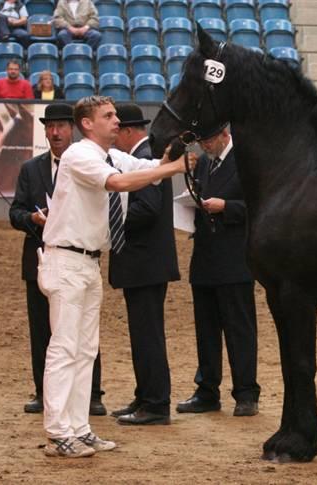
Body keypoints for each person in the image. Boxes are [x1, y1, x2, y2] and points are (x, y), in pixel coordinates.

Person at [38, 95, 193, 458]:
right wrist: (172, 169)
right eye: (107, 116)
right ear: (87, 123)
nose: (116, 122)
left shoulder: (111, 155)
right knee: (64, 348)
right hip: (66, 260)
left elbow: (150, 166)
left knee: (85, 349)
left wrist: (178, 143)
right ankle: (58, 431)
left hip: (89, 261)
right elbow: (120, 185)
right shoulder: (80, 155)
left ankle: (78, 427)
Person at [9, 103, 107, 416]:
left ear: (72, 129)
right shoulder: (30, 169)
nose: (55, 133)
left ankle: (91, 394)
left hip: (77, 257)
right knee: (42, 331)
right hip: (39, 258)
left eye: (61, 126)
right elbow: (15, 212)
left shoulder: (89, 163)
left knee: (82, 329)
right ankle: (43, 392)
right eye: (50, 127)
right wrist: (32, 220)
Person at [176, 124, 261, 418]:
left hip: (235, 258)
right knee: (206, 331)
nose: (204, 145)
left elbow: (259, 206)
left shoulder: (247, 161)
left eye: (208, 139)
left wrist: (227, 207)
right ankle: (207, 390)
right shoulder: (205, 165)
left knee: (240, 329)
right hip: (205, 256)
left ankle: (246, 392)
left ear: (225, 134)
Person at [108, 103, 179, 426]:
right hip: (144, 263)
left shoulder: (144, 160)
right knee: (143, 334)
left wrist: (111, 222)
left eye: (115, 131)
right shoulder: (147, 158)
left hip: (144, 262)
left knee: (147, 334)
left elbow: (147, 209)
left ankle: (156, 403)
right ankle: (145, 395)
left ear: (127, 132)